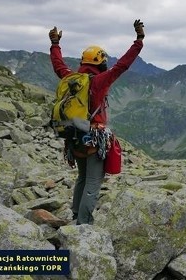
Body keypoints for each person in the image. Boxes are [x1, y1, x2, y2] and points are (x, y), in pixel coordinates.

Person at [49, 19, 145, 225]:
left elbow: (58, 65)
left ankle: (76, 214)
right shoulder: (99, 81)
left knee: (82, 178)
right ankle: (83, 223)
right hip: (93, 139)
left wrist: (55, 44)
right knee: (93, 182)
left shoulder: (71, 78)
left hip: (73, 137)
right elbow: (122, 66)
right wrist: (139, 40)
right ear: (99, 63)